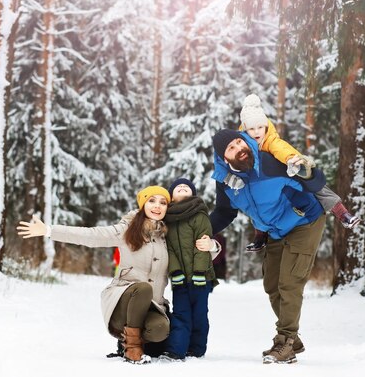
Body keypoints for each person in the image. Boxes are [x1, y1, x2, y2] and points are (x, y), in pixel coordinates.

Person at [17, 185, 204, 364]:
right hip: (123, 301)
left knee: (160, 331)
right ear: (142, 204)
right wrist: (49, 230)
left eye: (163, 202)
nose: (157, 206)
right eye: (152, 200)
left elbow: (191, 251)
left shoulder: (166, 236)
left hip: (152, 306)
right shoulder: (127, 229)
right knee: (143, 288)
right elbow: (91, 236)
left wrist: (212, 247)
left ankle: (130, 340)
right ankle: (132, 348)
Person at [209, 128, 327, 364]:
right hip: (275, 229)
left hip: (305, 221)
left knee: (289, 282)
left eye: (239, 142)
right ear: (223, 158)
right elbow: (224, 212)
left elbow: (316, 182)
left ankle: (286, 341)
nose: (239, 149)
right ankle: (292, 336)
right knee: (272, 284)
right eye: (231, 148)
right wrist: (200, 232)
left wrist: (309, 171)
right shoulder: (226, 183)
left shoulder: (270, 162)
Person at [213, 94, 361, 252]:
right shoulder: (240, 144)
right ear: (244, 130)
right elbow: (221, 164)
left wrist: (294, 162)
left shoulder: (272, 142)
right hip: (258, 191)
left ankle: (341, 212)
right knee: (252, 198)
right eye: (251, 129)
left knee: (318, 188)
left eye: (260, 127)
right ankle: (260, 235)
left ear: (266, 127)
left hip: (291, 173)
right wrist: (228, 177)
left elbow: (285, 151)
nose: (256, 132)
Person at [160, 178, 219, 361]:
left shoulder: (199, 215)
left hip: (202, 277)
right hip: (180, 280)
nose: (183, 187)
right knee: (181, 313)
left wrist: (200, 273)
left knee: (199, 314)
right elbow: (168, 248)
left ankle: (196, 348)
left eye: (187, 187)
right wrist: (175, 272)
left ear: (193, 194)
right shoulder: (167, 219)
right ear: (171, 196)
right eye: (178, 187)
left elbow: (201, 246)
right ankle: (176, 350)